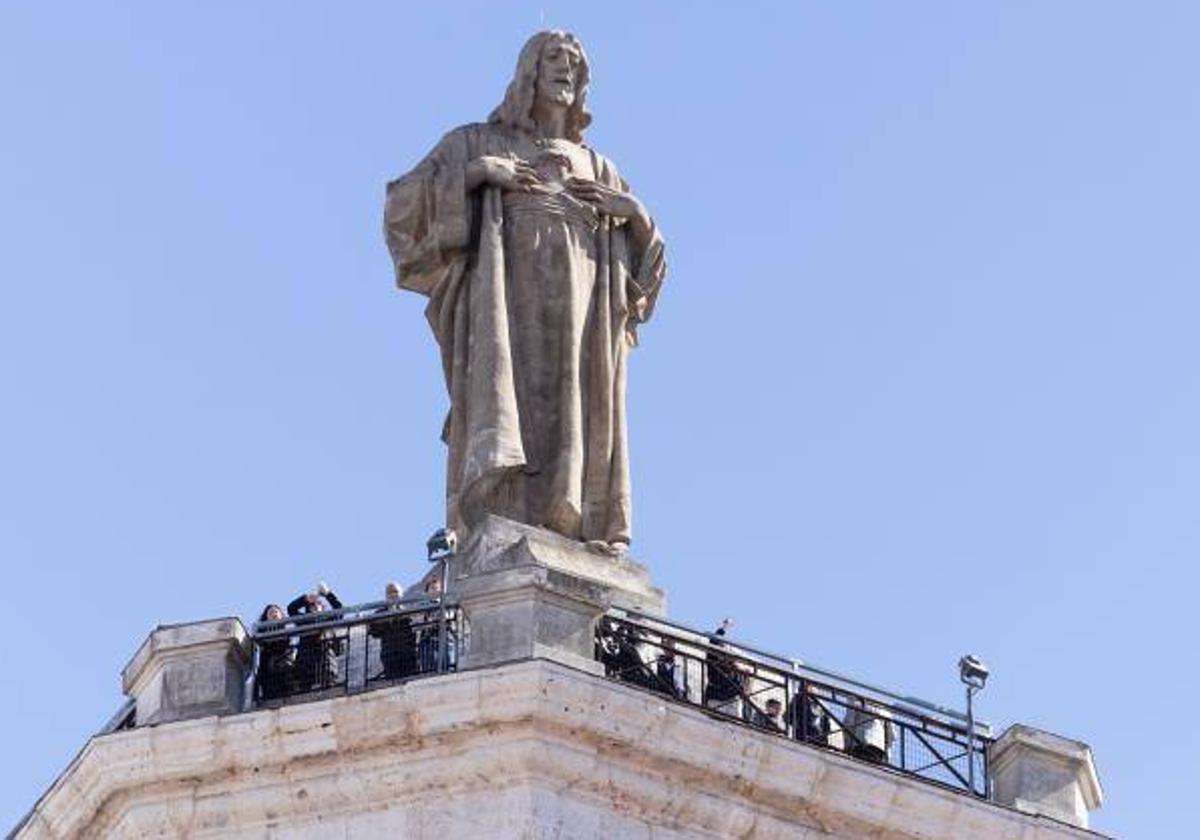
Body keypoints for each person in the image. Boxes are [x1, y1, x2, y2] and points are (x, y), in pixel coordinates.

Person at [384, 31, 667, 554]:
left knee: (578, 409)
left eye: (576, 64)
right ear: (528, 71)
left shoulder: (601, 169)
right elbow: (402, 206)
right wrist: (474, 175)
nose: (566, 70)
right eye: (554, 58)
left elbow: (646, 280)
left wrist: (638, 217)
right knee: (505, 399)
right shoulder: (477, 141)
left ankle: (577, 524)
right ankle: (503, 514)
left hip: (583, 313)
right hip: (506, 303)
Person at [287, 582, 344, 692]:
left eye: (317, 604)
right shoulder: (304, 620)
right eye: (311, 606)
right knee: (304, 690)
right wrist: (306, 599)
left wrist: (327, 594)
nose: (314, 607)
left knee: (328, 688)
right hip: (305, 660)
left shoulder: (328, 619)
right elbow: (291, 609)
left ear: (322, 608)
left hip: (326, 658)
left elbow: (339, 609)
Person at [369, 581, 418, 681]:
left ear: (401, 594)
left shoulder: (409, 612)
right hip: (389, 654)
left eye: (395, 592)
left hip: (407, 654)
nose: (393, 595)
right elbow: (374, 632)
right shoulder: (380, 613)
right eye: (390, 592)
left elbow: (414, 630)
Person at [704, 619, 745, 718]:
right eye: (722, 647)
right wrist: (724, 627)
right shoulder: (714, 662)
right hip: (716, 700)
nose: (725, 650)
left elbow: (738, 689)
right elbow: (714, 642)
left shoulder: (734, 670)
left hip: (730, 704)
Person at [255, 604, 294, 701]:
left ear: (281, 615)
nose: (274, 614)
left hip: (282, 666)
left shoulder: (286, 630)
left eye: (276, 611)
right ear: (266, 618)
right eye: (270, 613)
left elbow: (285, 646)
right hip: (268, 668)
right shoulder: (262, 632)